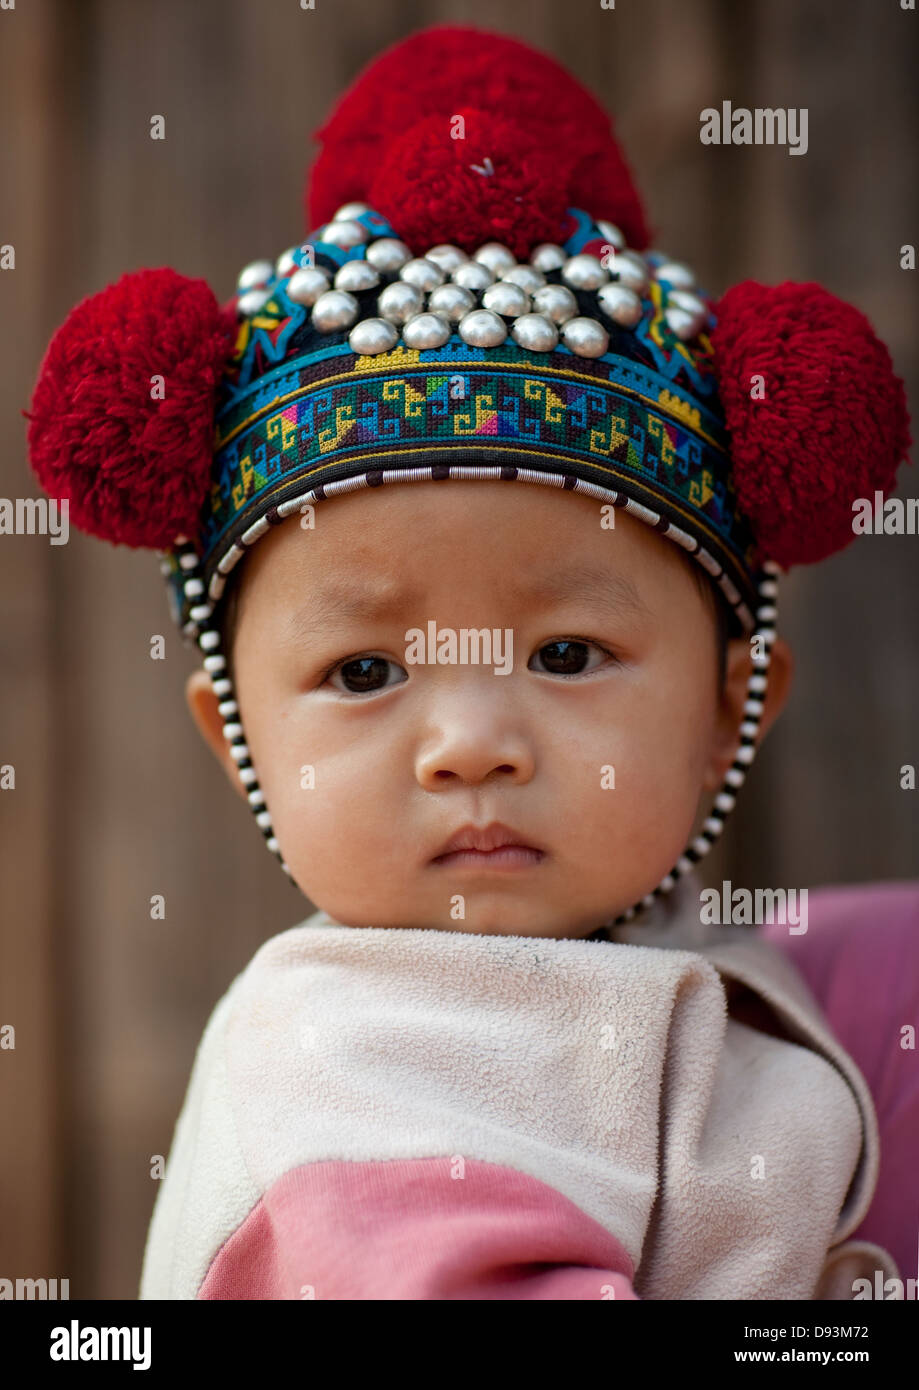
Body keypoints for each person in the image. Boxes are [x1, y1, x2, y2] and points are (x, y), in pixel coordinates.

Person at [25, 24, 911, 1300]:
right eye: (366, 673)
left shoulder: (741, 971)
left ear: (735, 711)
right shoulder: (347, 1067)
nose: (471, 743)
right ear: (235, 737)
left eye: (565, 650)